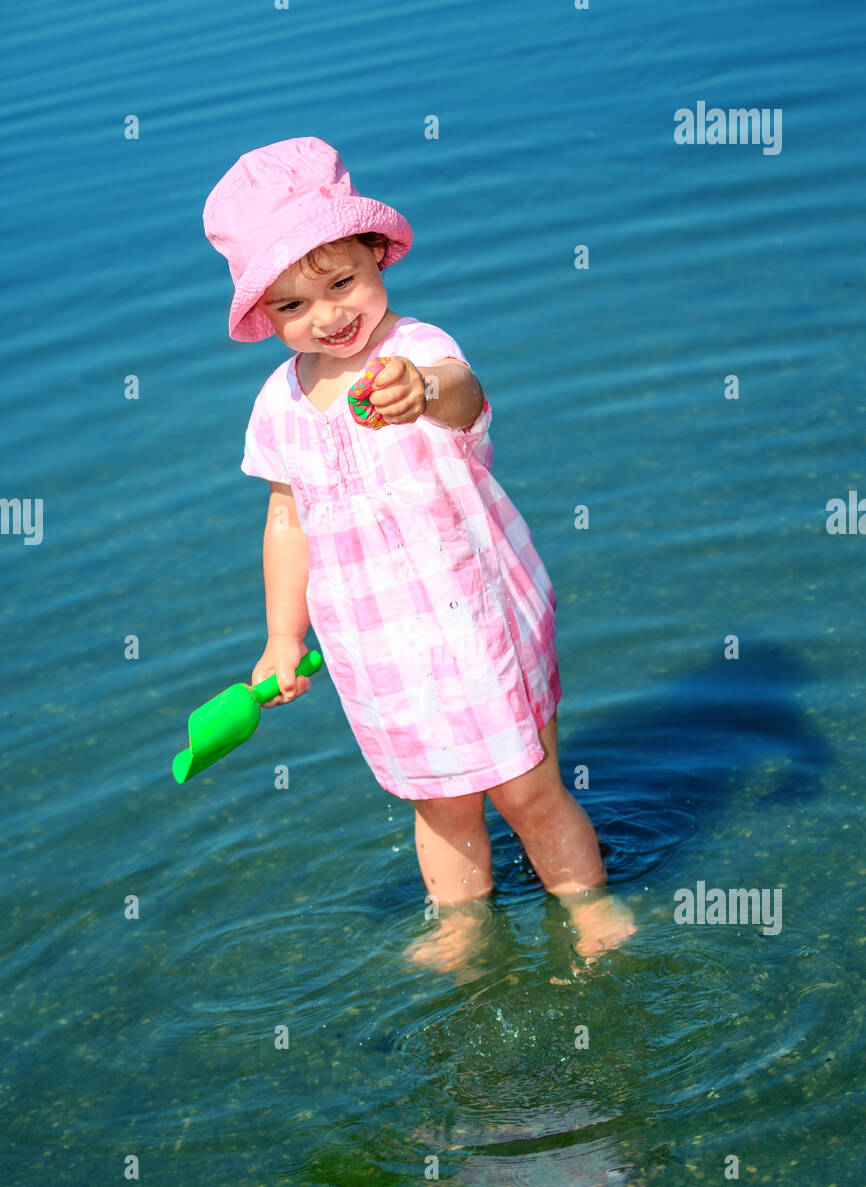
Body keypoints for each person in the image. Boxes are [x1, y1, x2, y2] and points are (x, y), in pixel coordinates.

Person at [203, 137, 635, 973]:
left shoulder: (419, 350)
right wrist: (282, 637)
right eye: (293, 305)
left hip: (476, 611)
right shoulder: (279, 405)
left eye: (341, 282)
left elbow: (466, 394)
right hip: (379, 645)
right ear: (266, 319)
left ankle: (590, 906)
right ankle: (463, 923)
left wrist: (424, 393)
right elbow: (285, 520)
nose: (328, 315)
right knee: (439, 803)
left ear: (375, 253)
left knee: (527, 789)